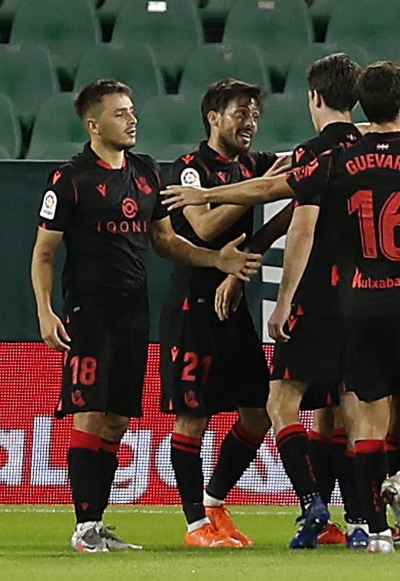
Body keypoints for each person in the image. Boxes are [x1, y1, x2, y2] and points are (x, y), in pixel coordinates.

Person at [162, 61, 400, 553]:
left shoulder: (338, 161)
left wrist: (207, 192)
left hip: (360, 309)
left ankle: (373, 528)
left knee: (365, 419)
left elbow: (271, 190)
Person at [30, 79, 261, 553]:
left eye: (132, 110)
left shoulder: (145, 172)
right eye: (120, 113)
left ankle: (97, 523)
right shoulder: (70, 179)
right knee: (90, 416)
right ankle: (84, 527)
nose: (132, 119)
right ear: (93, 124)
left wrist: (216, 260)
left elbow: (164, 240)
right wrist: (45, 309)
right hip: (89, 312)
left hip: (134, 313)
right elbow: (44, 254)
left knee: (117, 420)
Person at [158, 78, 284, 549]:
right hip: (193, 305)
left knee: (260, 413)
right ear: (213, 116)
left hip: (233, 306)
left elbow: (294, 171)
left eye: (254, 113)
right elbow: (204, 223)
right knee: (193, 417)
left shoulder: (253, 165)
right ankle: (194, 526)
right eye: (240, 112)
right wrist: (254, 189)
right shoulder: (191, 168)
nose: (250, 121)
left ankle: (214, 502)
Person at [262, 53, 365, 549]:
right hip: (367, 297)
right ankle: (365, 520)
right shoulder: (374, 148)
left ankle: (312, 504)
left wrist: (284, 300)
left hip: (318, 295)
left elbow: (302, 227)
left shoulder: (311, 155)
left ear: (315, 98)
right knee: (350, 410)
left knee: (283, 401)